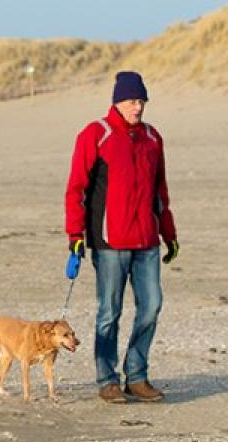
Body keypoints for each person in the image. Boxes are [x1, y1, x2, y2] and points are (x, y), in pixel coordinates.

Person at [65, 71, 179, 403]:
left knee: (152, 305)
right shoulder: (95, 134)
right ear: (117, 102)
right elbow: (76, 190)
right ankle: (107, 379)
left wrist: (168, 233)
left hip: (146, 241)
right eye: (132, 101)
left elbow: (161, 192)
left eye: (142, 101)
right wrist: (75, 235)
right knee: (109, 312)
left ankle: (137, 375)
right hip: (109, 242)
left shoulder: (152, 138)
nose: (138, 107)